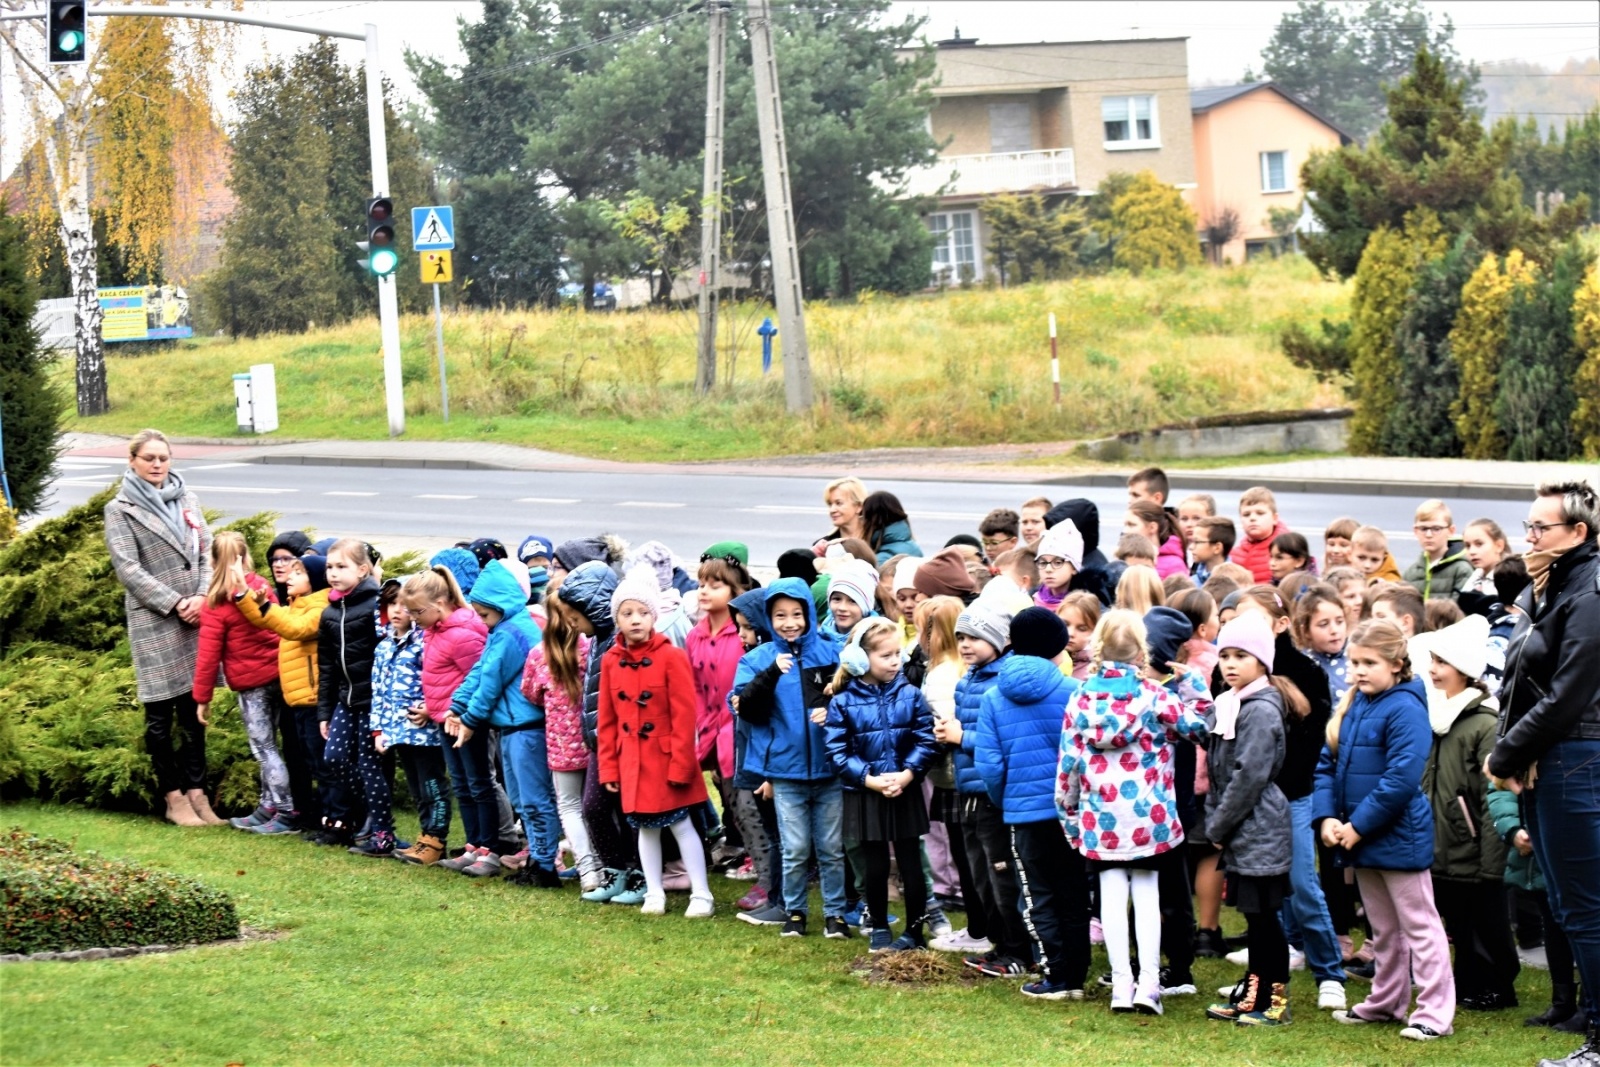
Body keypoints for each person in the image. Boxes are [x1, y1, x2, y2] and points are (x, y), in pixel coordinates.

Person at [1487, 480, 1600, 1067]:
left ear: (1578, 533)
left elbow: (1568, 695)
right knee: (1568, 903)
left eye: (1541, 528)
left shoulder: (1590, 590)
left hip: (1574, 757)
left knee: (1583, 908)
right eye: (1527, 526)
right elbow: (1518, 679)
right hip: (1551, 758)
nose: (1528, 537)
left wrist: (1503, 755)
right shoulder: (1554, 586)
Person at [1057, 609, 1208, 1015]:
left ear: (1099, 648)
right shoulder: (1155, 696)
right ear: (1142, 651)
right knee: (1146, 896)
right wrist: (1193, 688)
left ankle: (1121, 985)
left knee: (1110, 898)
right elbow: (1200, 728)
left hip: (1099, 815)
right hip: (1149, 816)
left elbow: (1068, 762)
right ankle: (1148, 985)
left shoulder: (1080, 696)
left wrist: (1068, 813)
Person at [1319, 620, 1456, 1042]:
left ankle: (1434, 1013)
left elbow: (1401, 778)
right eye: (1353, 662)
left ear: (1397, 664)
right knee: (1382, 930)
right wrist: (1326, 818)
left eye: (1369, 663)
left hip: (1396, 836)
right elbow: (1328, 762)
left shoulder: (1407, 708)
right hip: (1359, 836)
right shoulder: (1357, 703)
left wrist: (1357, 826)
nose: (1358, 671)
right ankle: (1385, 1002)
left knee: (1420, 926)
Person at [104, 429, 218, 827]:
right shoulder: (119, 509)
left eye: (163, 458)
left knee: (194, 713)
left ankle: (198, 794)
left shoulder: (188, 498)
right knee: (159, 717)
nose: (157, 465)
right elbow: (128, 568)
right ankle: (174, 798)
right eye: (149, 458)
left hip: (196, 619)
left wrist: (202, 597)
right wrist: (175, 602)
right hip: (155, 620)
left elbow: (207, 549)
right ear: (132, 461)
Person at [973, 607, 1088, 998]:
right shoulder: (1073, 691)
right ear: (1057, 648)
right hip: (1070, 813)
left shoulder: (993, 697)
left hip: (1023, 814)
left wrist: (1004, 799)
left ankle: (1055, 973)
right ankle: (1076, 972)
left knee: (1038, 894)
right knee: (1073, 891)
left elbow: (989, 763)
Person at [1415, 614, 1519, 1012]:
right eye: (1433, 661)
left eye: (1442, 662)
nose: (1433, 670)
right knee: (1459, 921)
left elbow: (1487, 794)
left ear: (1464, 670)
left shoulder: (1482, 724)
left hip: (1474, 845)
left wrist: (1492, 858)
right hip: (1442, 843)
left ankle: (1498, 984)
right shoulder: (1438, 717)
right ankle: (1469, 982)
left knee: (1486, 923)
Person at [733, 578, 847, 939]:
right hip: (785, 772)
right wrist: (770, 674)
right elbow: (745, 709)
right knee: (795, 848)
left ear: (809, 614)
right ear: (768, 617)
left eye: (797, 613)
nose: (789, 622)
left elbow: (853, 696)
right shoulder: (756, 660)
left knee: (830, 849)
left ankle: (836, 915)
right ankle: (795, 912)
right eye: (780, 615)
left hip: (830, 769)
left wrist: (831, 709)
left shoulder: (832, 654)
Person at [1203, 613, 1302, 1028]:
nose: (1230, 664)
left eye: (1241, 655)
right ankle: (1253, 993)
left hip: (1258, 827)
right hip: (1242, 828)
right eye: (1224, 654)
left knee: (1264, 921)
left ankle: (1273, 1000)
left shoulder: (1260, 709)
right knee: (1254, 918)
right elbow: (1219, 768)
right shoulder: (1232, 704)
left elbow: (1249, 776)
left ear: (1262, 662)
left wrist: (1218, 825)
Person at [599, 572, 714, 918]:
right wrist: (609, 766)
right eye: (627, 613)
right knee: (645, 828)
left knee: (681, 825)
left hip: (666, 760)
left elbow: (684, 716)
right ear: (617, 618)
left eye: (642, 612)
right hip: (631, 761)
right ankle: (654, 891)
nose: (635, 619)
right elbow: (606, 720)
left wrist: (681, 763)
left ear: (654, 616)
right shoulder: (610, 661)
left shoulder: (672, 657)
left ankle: (702, 894)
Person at [825, 617, 937, 951]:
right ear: (861, 659)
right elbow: (837, 752)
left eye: (896, 654)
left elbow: (926, 740)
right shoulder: (842, 702)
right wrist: (869, 779)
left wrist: (906, 774)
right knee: (873, 865)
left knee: (910, 863)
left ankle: (915, 933)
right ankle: (878, 928)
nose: (894, 661)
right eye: (885, 655)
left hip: (905, 788)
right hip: (866, 793)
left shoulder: (912, 695)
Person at [451, 559, 560, 886]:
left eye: (484, 615)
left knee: (534, 800)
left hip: (526, 729)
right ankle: (538, 860)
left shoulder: (512, 632)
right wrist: (457, 703)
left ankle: (545, 866)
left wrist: (469, 719)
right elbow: (480, 672)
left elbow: (491, 681)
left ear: (499, 604)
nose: (482, 622)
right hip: (513, 729)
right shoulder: (502, 630)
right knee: (523, 800)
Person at [939, 601, 1033, 978]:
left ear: (997, 640)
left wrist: (963, 736)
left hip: (993, 794)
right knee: (980, 875)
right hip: (968, 790)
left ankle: (1020, 950)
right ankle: (1000, 944)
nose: (965, 644)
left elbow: (1007, 739)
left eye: (975, 637)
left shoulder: (1004, 680)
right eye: (961, 636)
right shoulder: (968, 681)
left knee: (1001, 873)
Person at [194, 532, 292, 833]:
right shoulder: (261, 586)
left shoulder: (216, 603)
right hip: (279, 675)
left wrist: (202, 698)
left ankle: (286, 812)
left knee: (264, 748)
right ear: (245, 557)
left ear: (212, 561)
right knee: (274, 745)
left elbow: (208, 656)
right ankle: (268, 805)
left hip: (252, 686)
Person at [404, 566, 490, 870]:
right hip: (444, 720)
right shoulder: (434, 631)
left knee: (478, 783)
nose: (413, 618)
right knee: (463, 785)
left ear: (439, 605)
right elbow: (440, 677)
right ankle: (471, 845)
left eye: (417, 611)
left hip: (465, 723)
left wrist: (464, 716)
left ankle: (488, 847)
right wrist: (434, 709)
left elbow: (478, 679)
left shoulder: (464, 634)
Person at [316, 539, 388, 853]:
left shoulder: (374, 605)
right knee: (334, 757)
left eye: (341, 566)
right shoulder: (330, 612)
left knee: (369, 764)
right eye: (330, 567)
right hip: (345, 701)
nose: (333, 573)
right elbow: (327, 666)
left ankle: (381, 829)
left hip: (372, 701)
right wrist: (324, 712)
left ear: (362, 569)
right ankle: (367, 812)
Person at [372, 579, 450, 866]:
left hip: (424, 731)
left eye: (405, 606)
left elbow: (436, 680)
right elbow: (378, 691)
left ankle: (436, 838)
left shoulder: (423, 642)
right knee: (417, 787)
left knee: (432, 785)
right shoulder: (383, 647)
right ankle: (425, 837)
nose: (398, 610)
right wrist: (378, 729)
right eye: (392, 603)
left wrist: (431, 708)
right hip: (397, 730)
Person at [522, 594, 597, 888]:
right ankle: (604, 863)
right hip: (592, 741)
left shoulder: (539, 655)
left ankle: (587, 867)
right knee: (592, 806)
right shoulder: (589, 648)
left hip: (560, 744)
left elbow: (530, 692)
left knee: (569, 806)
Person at [1404, 500, 1472, 601]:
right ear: (1415, 531)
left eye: (1436, 529)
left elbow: (1461, 610)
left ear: (1451, 531)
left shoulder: (1462, 570)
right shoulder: (1411, 573)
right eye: (1423, 529)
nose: (1428, 535)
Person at [1295, 584, 1351, 705]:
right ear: (1306, 631)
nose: (1334, 630)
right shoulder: (1302, 666)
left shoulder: (1358, 655)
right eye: (1323, 624)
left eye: (1340, 621)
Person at [1229, 487, 1290, 586]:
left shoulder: (1287, 549)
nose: (1252, 518)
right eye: (1246, 514)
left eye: (1260, 513)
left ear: (1274, 518)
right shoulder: (1235, 553)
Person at [1126, 500, 1187, 580]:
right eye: (1125, 525)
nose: (1126, 531)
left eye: (1131, 525)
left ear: (1152, 527)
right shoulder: (1126, 558)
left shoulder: (1174, 565)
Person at [1032, 520, 1083, 611]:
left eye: (1057, 563)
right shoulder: (1031, 600)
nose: (1048, 569)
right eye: (1043, 563)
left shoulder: (1085, 605)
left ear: (1074, 567)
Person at [1057, 590, 1100, 681]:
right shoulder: (1043, 658)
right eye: (1065, 624)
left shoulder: (1095, 670)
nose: (1070, 633)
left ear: (1095, 631)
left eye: (1082, 629)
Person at [1190, 518, 1236, 587]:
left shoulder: (1235, 581)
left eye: (1197, 542)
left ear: (1217, 548)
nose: (1191, 547)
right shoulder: (1192, 582)